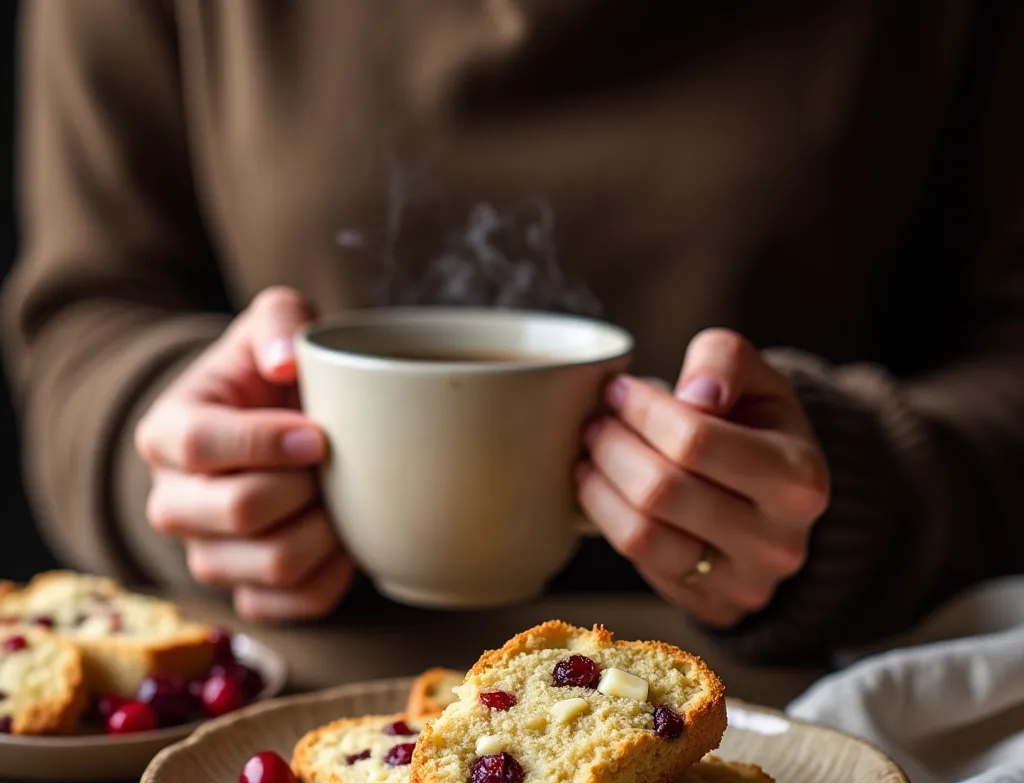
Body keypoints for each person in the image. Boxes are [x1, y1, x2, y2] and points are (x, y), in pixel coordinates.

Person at [3, 1, 1024, 664]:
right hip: (276, 698)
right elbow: (88, 314)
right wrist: (171, 455)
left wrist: (853, 496)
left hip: (803, 703)